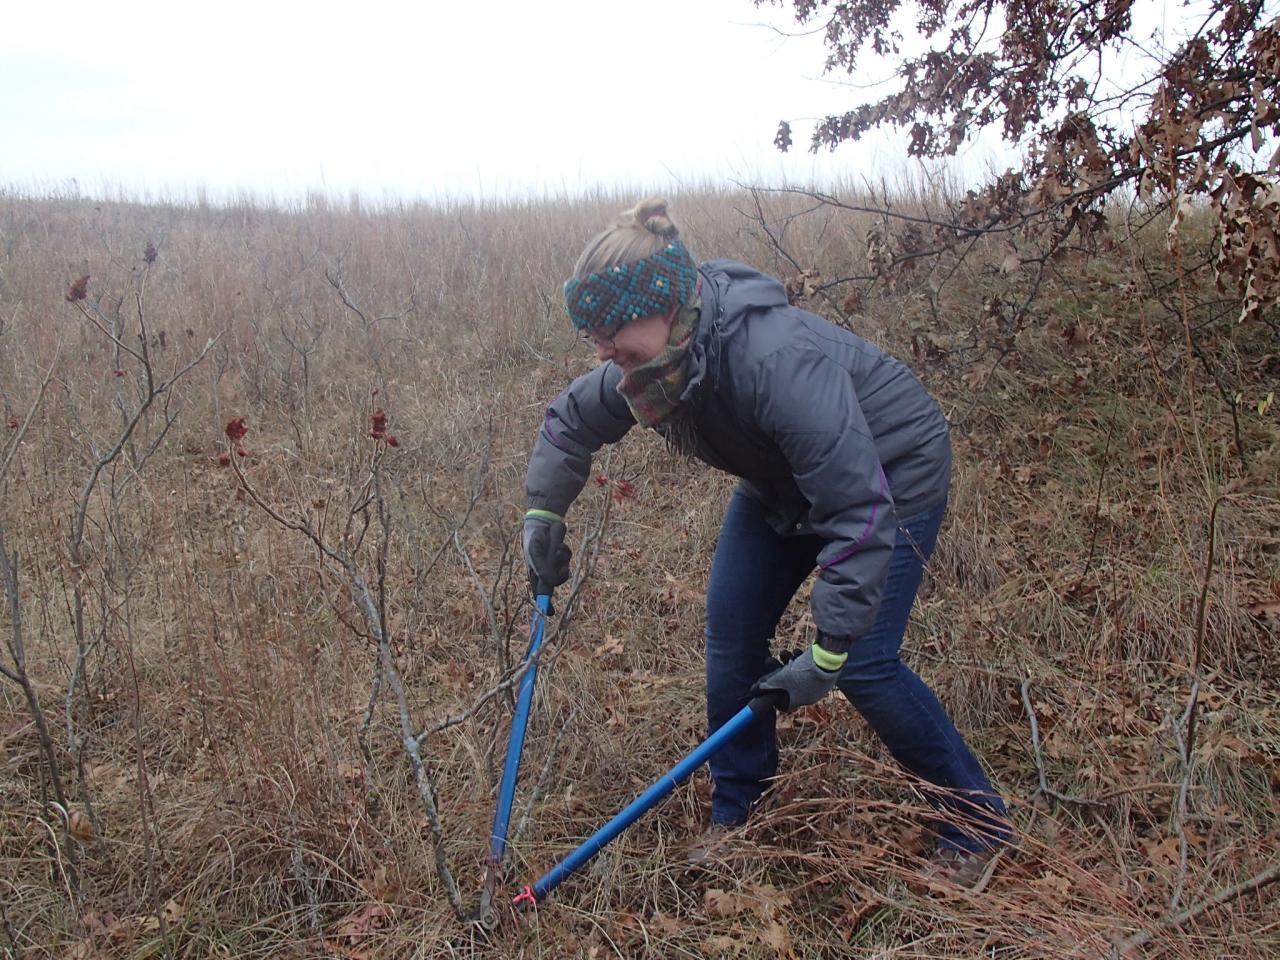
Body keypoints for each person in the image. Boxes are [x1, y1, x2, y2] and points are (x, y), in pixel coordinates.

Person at [521, 198, 1011, 887]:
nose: (603, 354)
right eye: (592, 338)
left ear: (665, 307)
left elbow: (857, 506)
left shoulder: (775, 361)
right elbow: (571, 421)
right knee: (731, 636)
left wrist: (830, 645)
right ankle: (740, 812)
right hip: (781, 482)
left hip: (890, 470)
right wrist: (543, 517)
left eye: (611, 333)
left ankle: (978, 822)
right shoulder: (654, 364)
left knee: (865, 663)